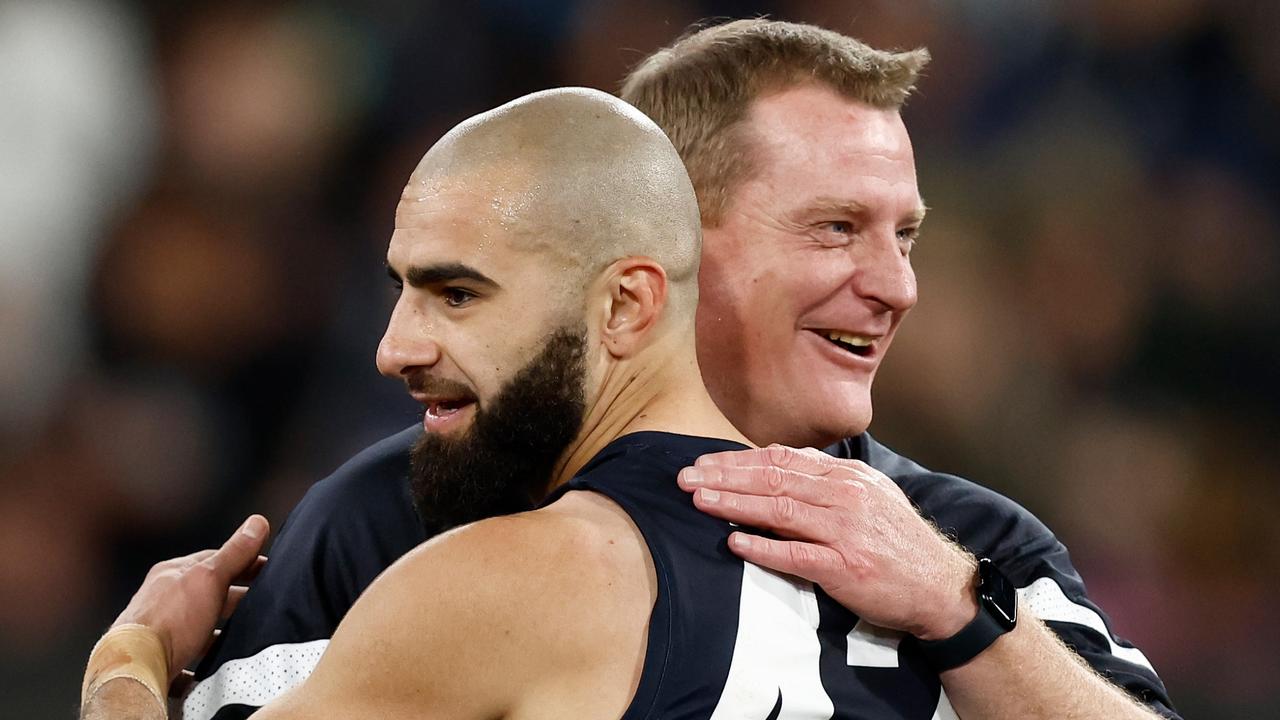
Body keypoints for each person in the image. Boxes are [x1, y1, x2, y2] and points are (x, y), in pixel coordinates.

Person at [84, 19, 1179, 720]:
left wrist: (956, 608)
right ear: (665, 254)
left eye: (905, 235)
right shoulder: (391, 516)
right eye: (837, 227)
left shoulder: (971, 549)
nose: (893, 285)